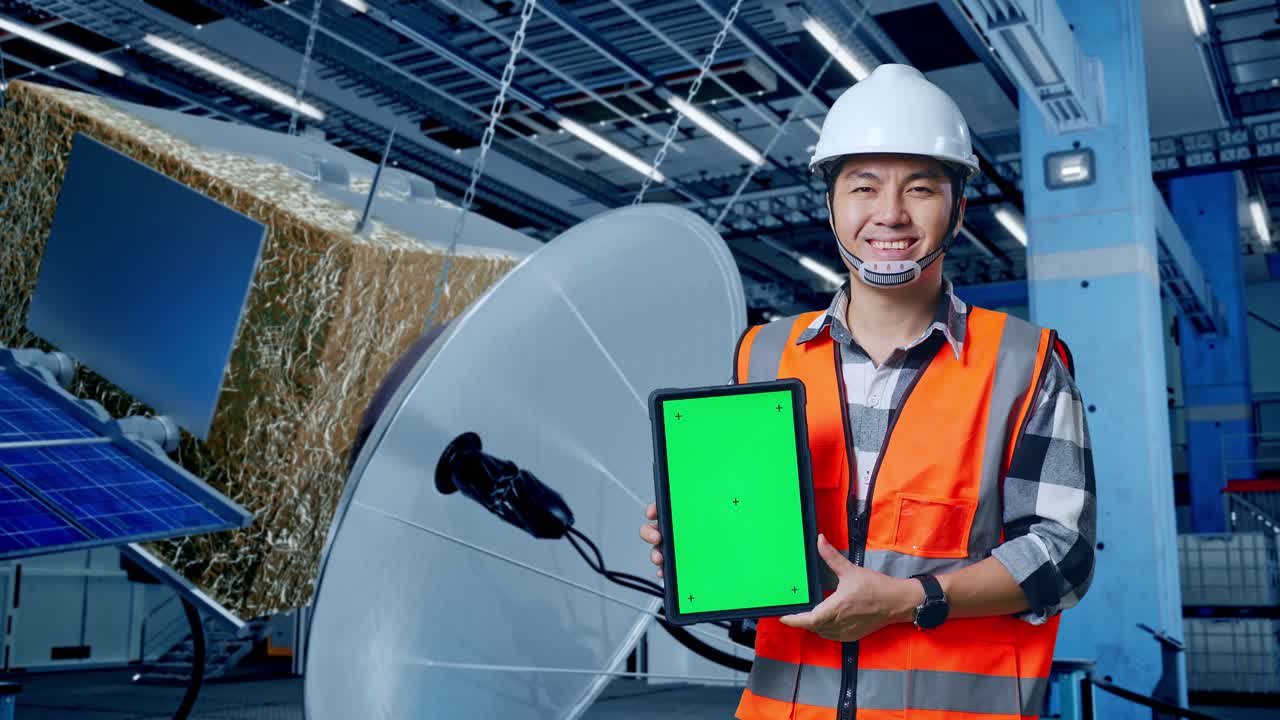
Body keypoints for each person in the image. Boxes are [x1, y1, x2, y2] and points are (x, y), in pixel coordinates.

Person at [639, 63, 1096, 720]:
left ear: (959, 207)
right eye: (863, 187)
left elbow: (1063, 555)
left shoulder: (1024, 363)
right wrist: (702, 546)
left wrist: (911, 599)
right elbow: (762, 545)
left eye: (920, 188)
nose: (889, 214)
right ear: (829, 204)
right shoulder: (762, 352)